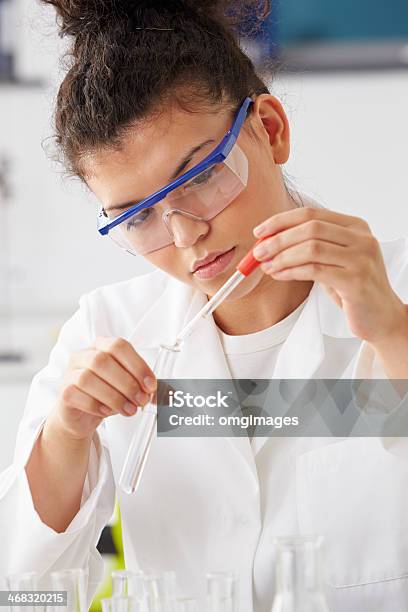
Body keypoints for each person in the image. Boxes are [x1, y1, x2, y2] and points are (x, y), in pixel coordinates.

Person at [1, 0, 408, 610]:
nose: (186, 233)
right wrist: (67, 433)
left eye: (198, 178)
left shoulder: (396, 287)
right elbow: (26, 587)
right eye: (139, 217)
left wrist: (395, 333)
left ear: (270, 130)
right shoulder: (110, 329)